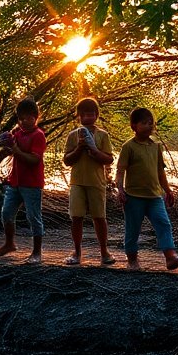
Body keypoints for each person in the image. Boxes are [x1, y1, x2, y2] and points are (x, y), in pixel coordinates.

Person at [115, 107, 178, 270]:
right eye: (144, 123)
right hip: (134, 197)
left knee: (163, 223)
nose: (149, 126)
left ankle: (171, 257)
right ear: (134, 126)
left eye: (151, 123)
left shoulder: (156, 146)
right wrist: (120, 189)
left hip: (154, 197)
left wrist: (168, 190)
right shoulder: (128, 147)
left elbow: (160, 172)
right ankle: (132, 260)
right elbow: (121, 170)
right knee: (133, 229)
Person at [62, 97, 116, 266]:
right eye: (84, 114)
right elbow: (67, 160)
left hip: (96, 182)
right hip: (77, 181)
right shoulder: (73, 136)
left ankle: (104, 252)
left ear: (96, 115)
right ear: (79, 116)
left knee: (99, 217)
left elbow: (109, 159)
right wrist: (79, 147)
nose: (88, 117)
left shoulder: (102, 135)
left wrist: (94, 151)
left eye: (91, 114)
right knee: (76, 217)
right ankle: (77, 252)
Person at [0, 97, 46, 264]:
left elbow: (34, 160)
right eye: (21, 118)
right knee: (6, 213)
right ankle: (10, 244)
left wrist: (15, 150)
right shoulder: (17, 133)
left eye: (28, 118)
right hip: (14, 182)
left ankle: (37, 252)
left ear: (36, 117)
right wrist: (6, 144)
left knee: (33, 217)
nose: (24, 122)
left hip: (32, 184)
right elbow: (10, 151)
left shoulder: (38, 135)